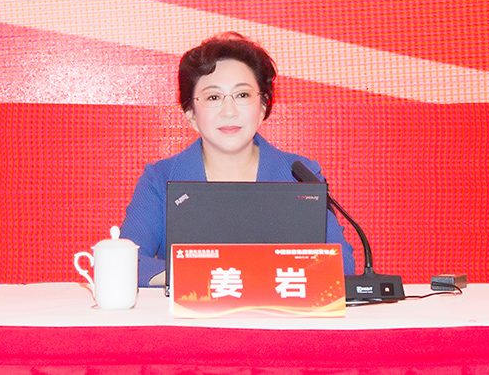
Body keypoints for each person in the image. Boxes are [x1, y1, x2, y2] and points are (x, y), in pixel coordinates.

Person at [121, 32, 355, 286]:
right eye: (213, 97)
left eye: (242, 95)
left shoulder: (300, 175)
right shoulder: (160, 179)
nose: (229, 111)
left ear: (263, 107)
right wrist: (214, 276)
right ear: (191, 114)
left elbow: (341, 263)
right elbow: (128, 261)